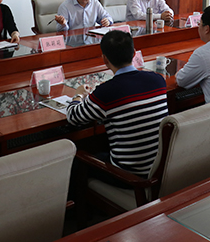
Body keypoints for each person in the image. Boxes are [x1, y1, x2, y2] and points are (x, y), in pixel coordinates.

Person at [66, 30, 167, 176]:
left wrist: (78, 95)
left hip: (129, 176)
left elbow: (73, 117)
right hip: (160, 169)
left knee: (77, 160)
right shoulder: (158, 80)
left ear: (105, 59)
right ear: (134, 53)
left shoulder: (107, 91)